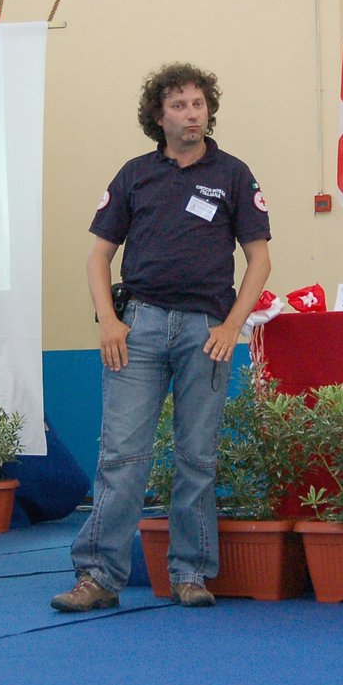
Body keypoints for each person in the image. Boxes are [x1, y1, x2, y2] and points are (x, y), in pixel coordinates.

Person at [53, 63, 271, 612]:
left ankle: (191, 573)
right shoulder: (134, 174)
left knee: (197, 456)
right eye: (179, 105)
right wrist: (108, 320)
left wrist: (231, 325)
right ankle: (99, 577)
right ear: (159, 115)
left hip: (207, 332)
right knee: (122, 454)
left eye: (198, 104)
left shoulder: (235, 175)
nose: (191, 113)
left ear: (209, 110)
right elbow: (99, 254)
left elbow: (260, 260)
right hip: (139, 326)